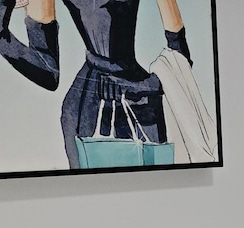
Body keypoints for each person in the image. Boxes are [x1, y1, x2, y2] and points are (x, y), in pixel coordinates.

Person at [0, 0, 192, 168]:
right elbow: (47, 71)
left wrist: (147, 86)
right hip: (86, 108)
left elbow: (179, 54)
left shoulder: (143, 91)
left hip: (140, 99)